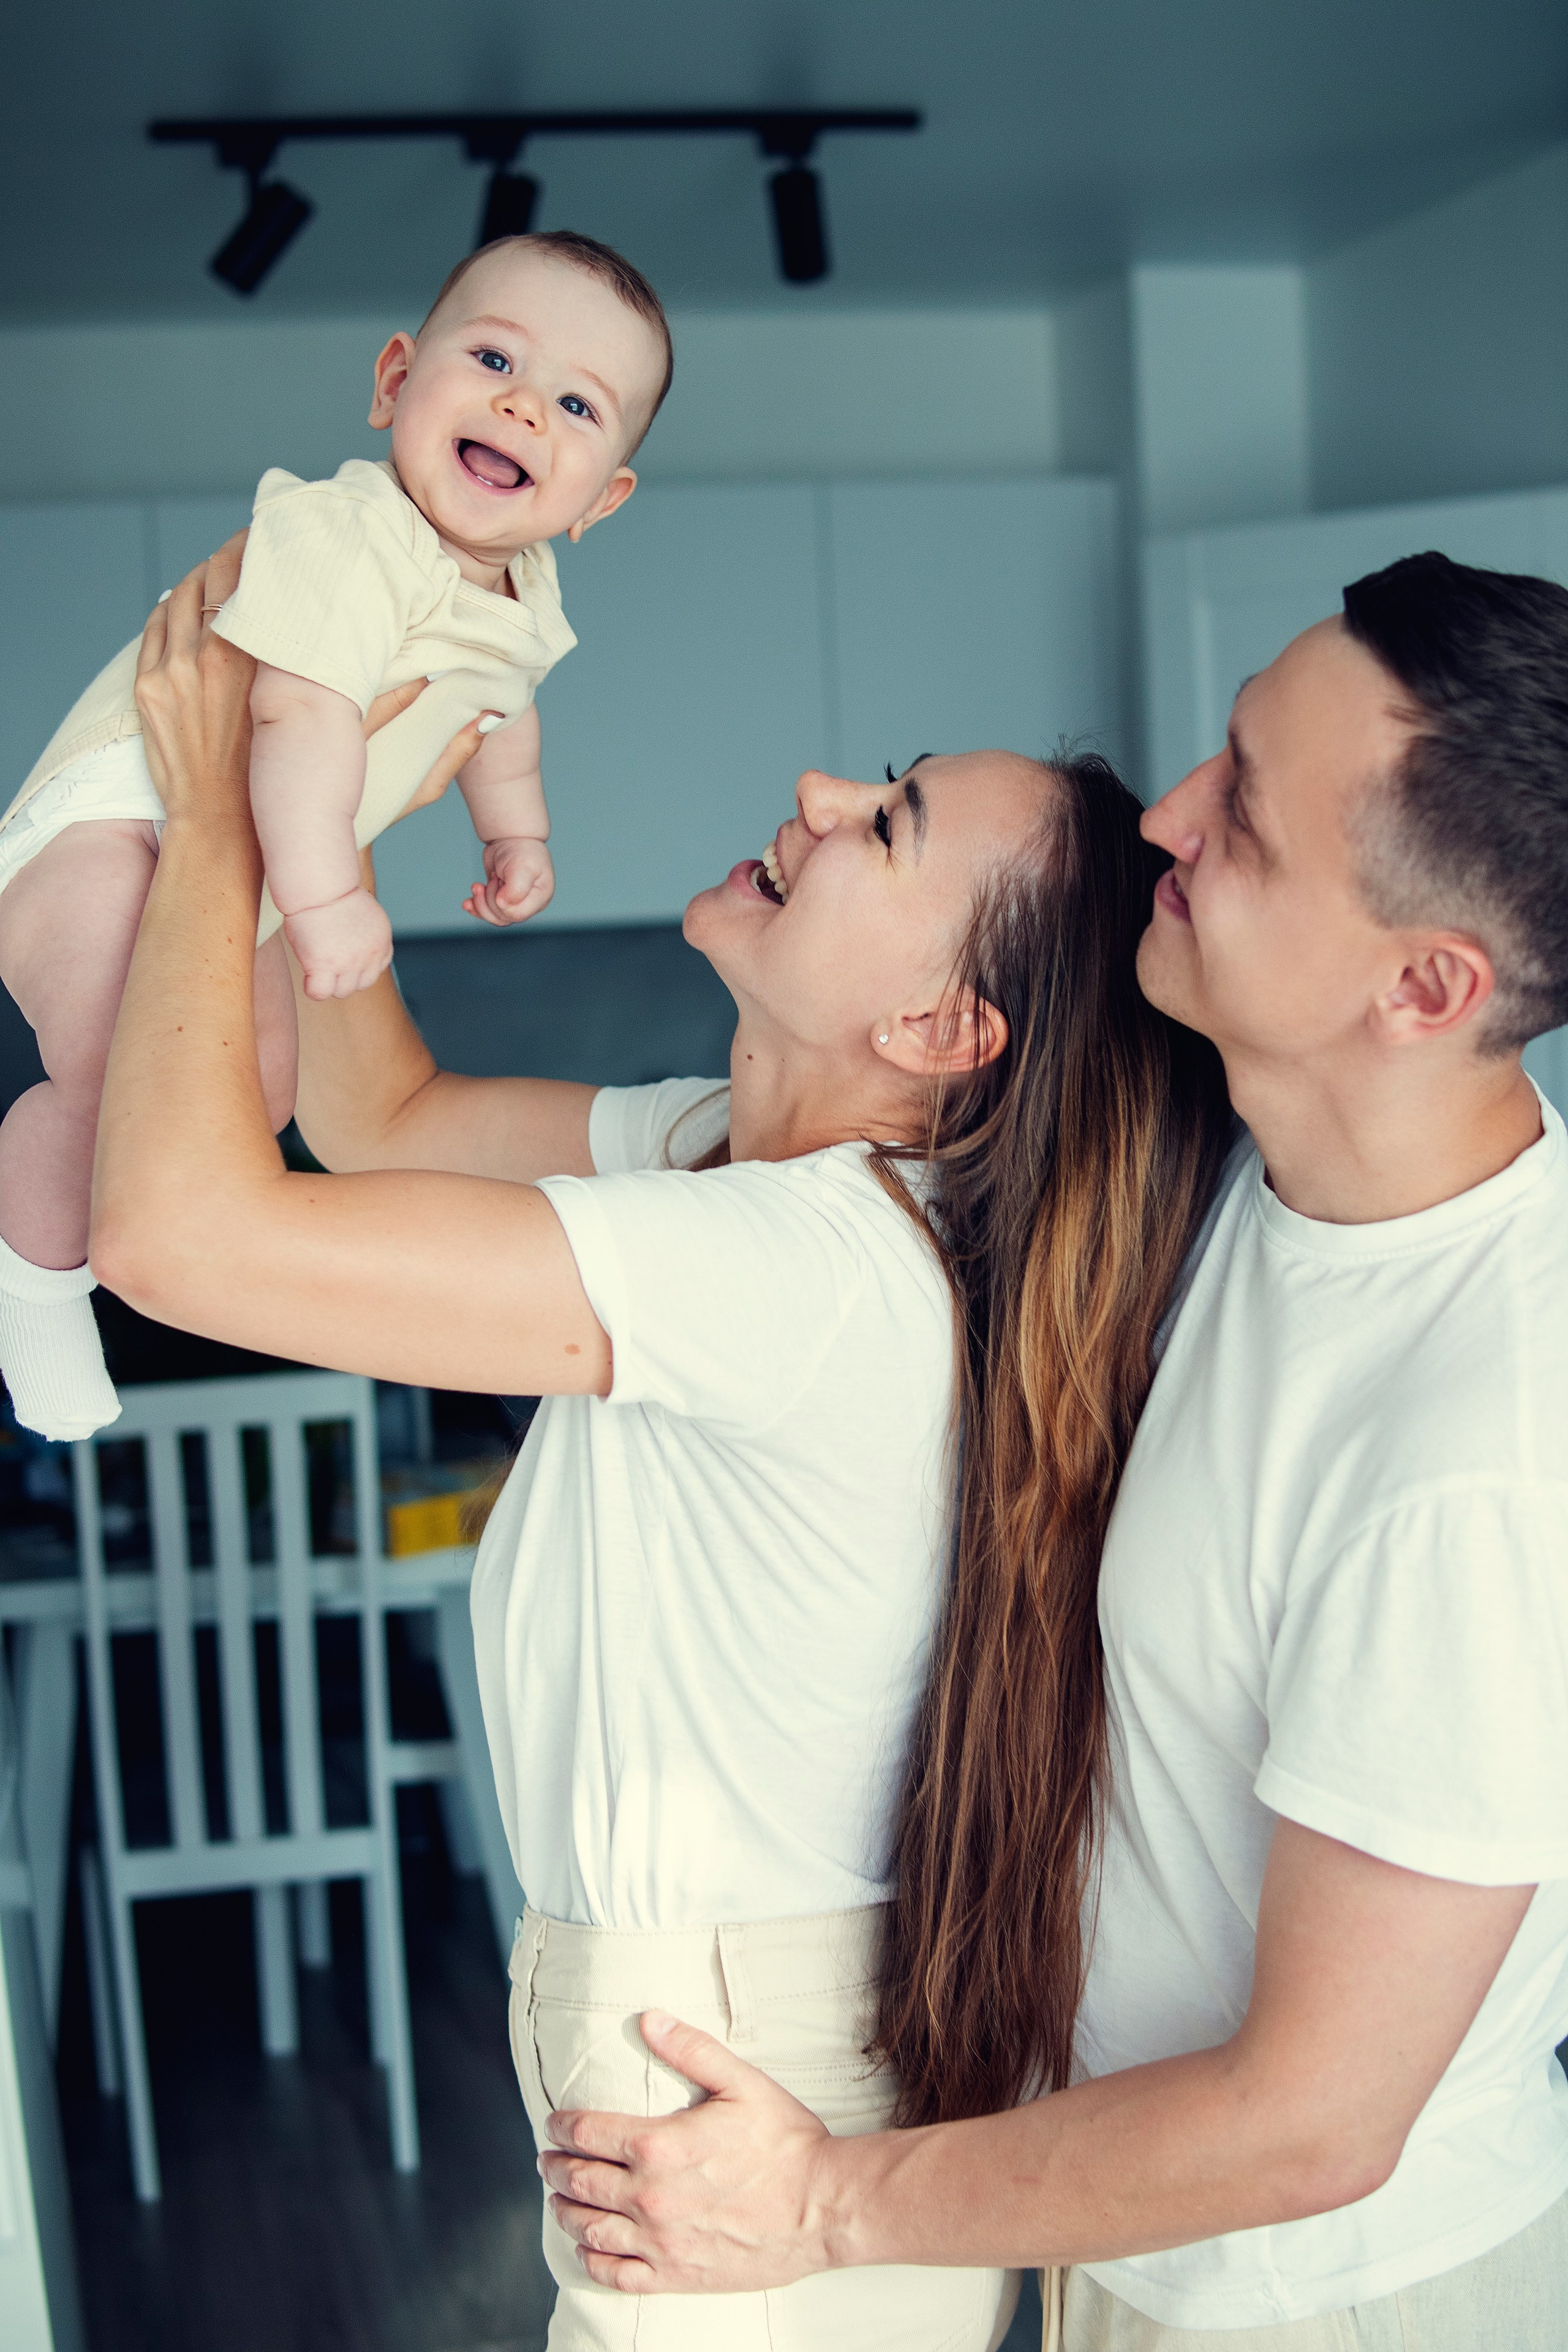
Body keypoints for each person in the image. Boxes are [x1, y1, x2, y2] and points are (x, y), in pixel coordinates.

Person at [90, 549, 1231, 2352]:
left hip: (739, 2069)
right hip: (726, 2039)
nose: (820, 797)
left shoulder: (808, 1263)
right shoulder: (734, 1155)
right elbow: (383, 1112)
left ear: (938, 1032)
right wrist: (314, 784)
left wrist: (212, 807)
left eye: (890, 823)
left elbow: (172, 1235)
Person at [533, 551, 1568, 2350]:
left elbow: (1314, 2119)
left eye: (1242, 817)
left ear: (1421, 989)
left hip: (1329, 2305)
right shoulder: (1244, 1171)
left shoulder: (1479, 1451)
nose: (1168, 815)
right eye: (1221, 752)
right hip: (1132, 2245)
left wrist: (828, 2201)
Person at [0, 229, 669, 1442]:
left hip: (233, 869)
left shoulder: (520, 599)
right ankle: (29, 1284)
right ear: (394, 383)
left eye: (576, 403)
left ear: (602, 496)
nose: (522, 405)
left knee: (237, 1103)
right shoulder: (351, 534)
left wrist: (515, 833)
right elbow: (297, 713)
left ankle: (55, 1246)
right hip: (114, 823)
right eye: (492, 358)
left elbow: (497, 719)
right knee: (119, 1075)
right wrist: (327, 904)